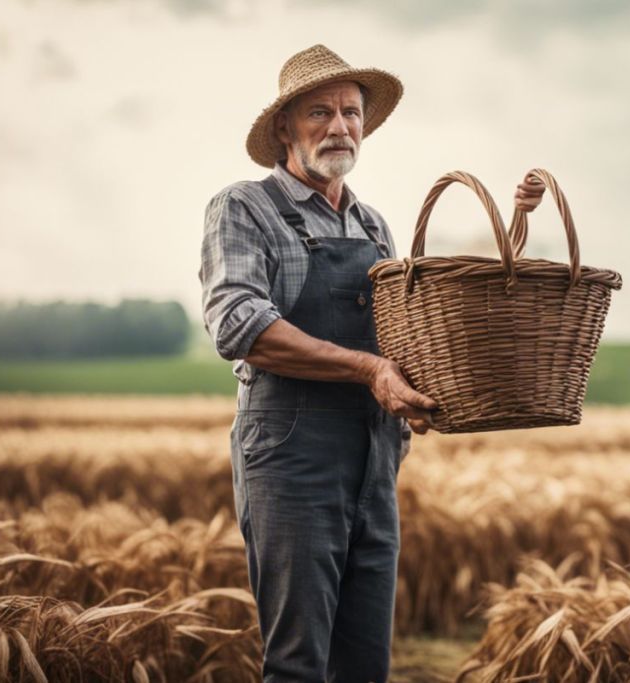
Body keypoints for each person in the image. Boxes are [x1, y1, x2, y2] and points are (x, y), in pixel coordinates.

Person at [198, 44, 544, 682]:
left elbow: (419, 328)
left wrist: (515, 223)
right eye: (319, 113)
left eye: (351, 113)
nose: (339, 127)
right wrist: (368, 370)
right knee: (299, 664)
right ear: (284, 128)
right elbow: (239, 325)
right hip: (292, 462)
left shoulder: (374, 225)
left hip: (375, 467)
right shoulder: (246, 208)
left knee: (364, 665)